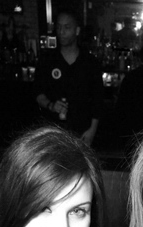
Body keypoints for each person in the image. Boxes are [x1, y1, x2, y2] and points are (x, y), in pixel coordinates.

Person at [34, 9, 104, 146]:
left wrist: (92, 130)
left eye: (67, 27)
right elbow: (37, 92)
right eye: (59, 27)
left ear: (77, 31)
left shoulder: (90, 62)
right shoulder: (47, 59)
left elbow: (98, 100)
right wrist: (51, 105)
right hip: (52, 130)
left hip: (81, 131)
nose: (61, 32)